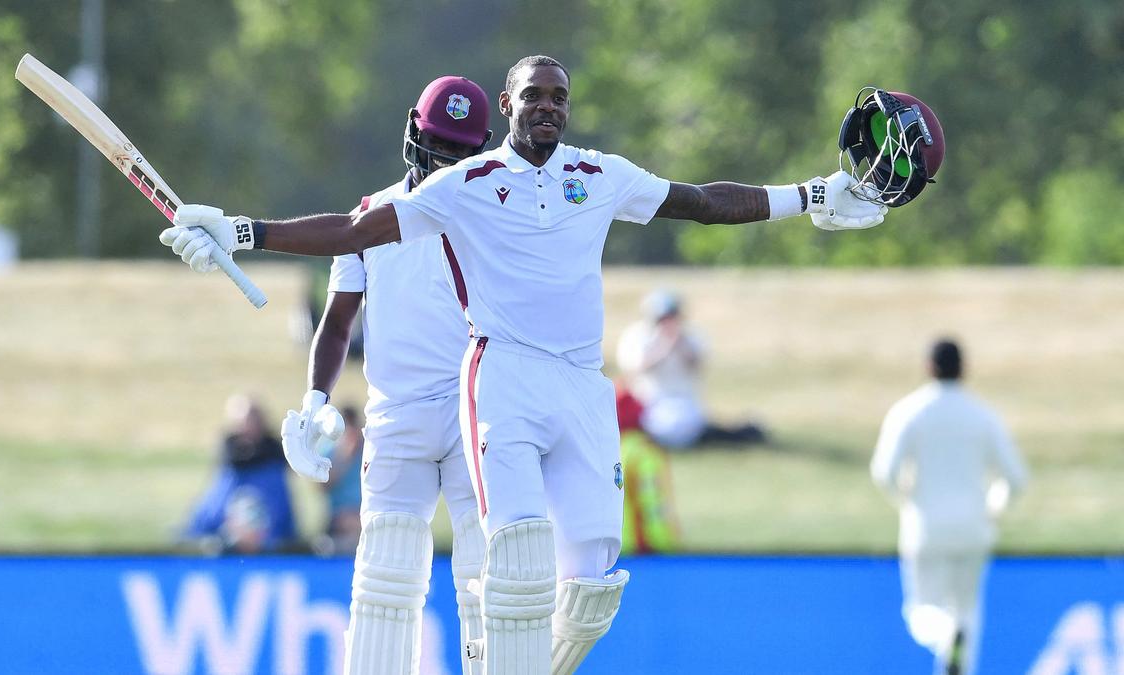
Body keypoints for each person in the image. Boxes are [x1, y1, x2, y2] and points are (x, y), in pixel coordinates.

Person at [160, 54, 887, 674]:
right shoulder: (460, 187)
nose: (547, 107)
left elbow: (699, 201)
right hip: (475, 389)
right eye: (533, 95)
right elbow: (350, 246)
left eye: (558, 96)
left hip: (565, 387)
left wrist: (810, 196)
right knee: (430, 573)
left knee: (583, 589)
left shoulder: (598, 174)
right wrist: (242, 232)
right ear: (507, 106)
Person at [277, 75, 494, 675]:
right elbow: (337, 321)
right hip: (397, 415)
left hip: (476, 409)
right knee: (385, 582)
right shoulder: (369, 218)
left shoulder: (494, 215)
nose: (444, 162)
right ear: (413, 133)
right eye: (437, 145)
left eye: (459, 152)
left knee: (484, 579)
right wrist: (316, 397)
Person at [871, 338, 1029, 675]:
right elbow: (1015, 477)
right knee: (967, 616)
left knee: (922, 612)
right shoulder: (982, 415)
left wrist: (905, 500)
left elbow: (884, 471)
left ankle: (945, 632)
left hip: (926, 527)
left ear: (928, 367)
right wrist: (994, 507)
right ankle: (954, 640)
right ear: (964, 368)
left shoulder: (910, 411)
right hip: (974, 528)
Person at [617, 289, 766, 449]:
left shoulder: (691, 336)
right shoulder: (637, 336)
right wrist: (662, 348)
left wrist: (679, 344)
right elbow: (635, 370)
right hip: (649, 403)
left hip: (686, 401)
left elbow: (697, 365)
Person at [183, 394, 297, 553]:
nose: (247, 429)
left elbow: (282, 516)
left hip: (268, 547)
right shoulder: (228, 467)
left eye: (253, 421)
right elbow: (211, 513)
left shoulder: (274, 465)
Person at [614, 386, 680, 554]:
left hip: (613, 549)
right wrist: (666, 544)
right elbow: (652, 505)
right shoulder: (645, 454)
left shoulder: (609, 451)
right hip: (643, 550)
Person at [312, 404, 363, 557]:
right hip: (338, 517)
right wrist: (344, 456)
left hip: (364, 514)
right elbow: (322, 486)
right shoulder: (329, 449)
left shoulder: (369, 450)